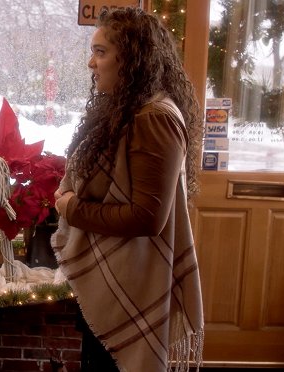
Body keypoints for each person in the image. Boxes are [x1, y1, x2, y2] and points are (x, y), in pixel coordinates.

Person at [50, 7, 204, 372]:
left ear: (134, 57)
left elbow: (147, 217)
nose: (91, 62)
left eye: (101, 52)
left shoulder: (155, 118)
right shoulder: (126, 108)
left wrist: (72, 208)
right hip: (116, 280)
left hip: (131, 284)